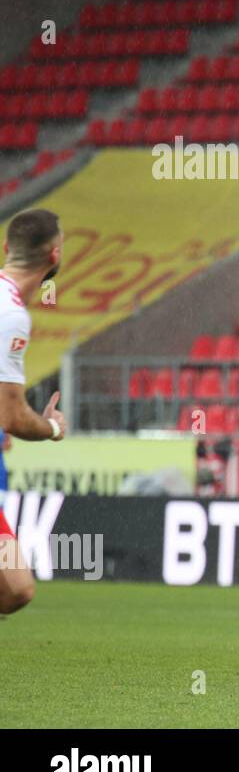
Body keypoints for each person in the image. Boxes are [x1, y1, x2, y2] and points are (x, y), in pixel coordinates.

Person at [0, 208, 68, 616]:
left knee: (14, 587)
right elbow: (12, 416)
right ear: (54, 256)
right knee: (16, 587)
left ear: (7, 248)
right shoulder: (11, 315)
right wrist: (52, 429)